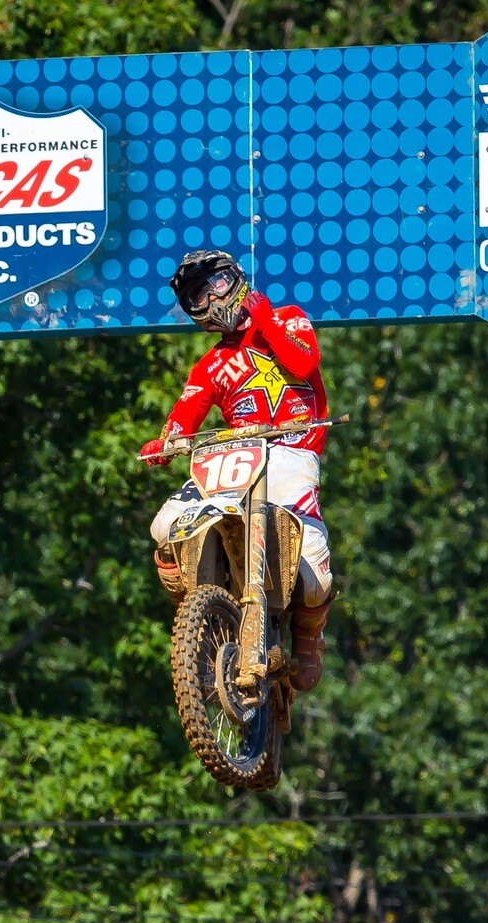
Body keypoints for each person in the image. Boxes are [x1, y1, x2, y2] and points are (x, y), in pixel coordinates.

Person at [138, 249, 338, 692]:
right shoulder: (209, 364)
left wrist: (263, 320)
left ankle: (308, 638)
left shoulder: (288, 318)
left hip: (291, 451)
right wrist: (166, 441)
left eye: (217, 284)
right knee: (164, 528)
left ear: (237, 279)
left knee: (314, 569)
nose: (211, 299)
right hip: (235, 459)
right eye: (197, 297)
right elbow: (186, 413)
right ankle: (199, 614)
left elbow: (304, 363)